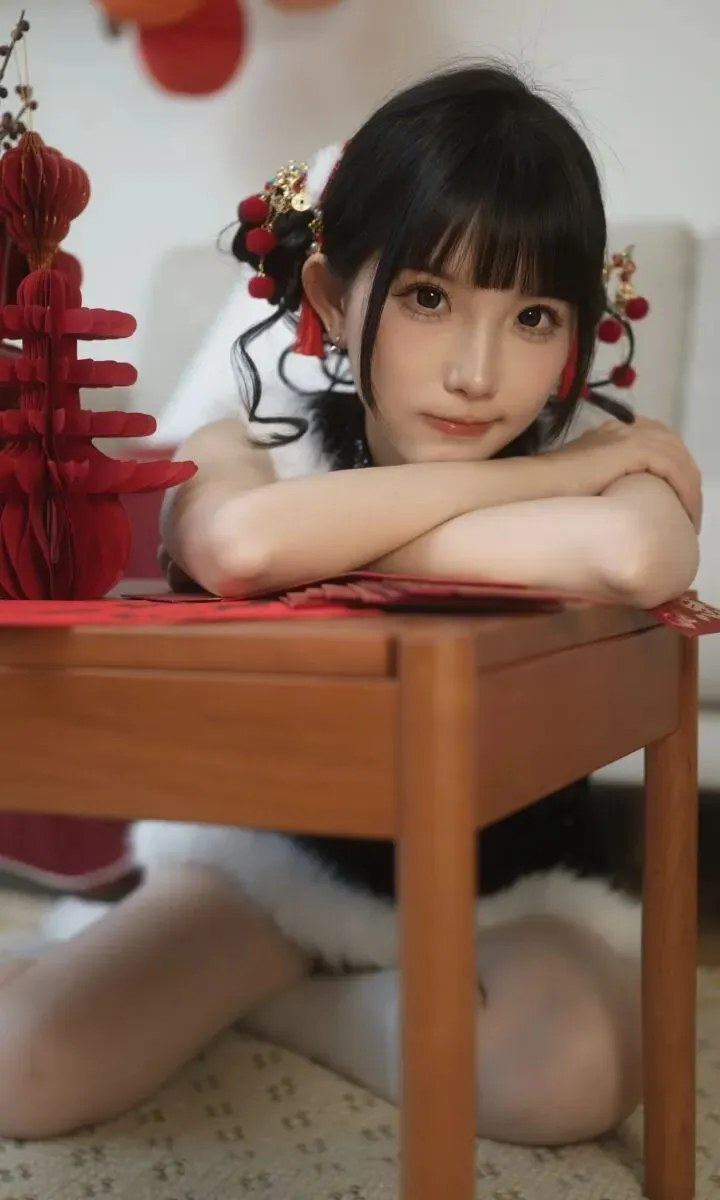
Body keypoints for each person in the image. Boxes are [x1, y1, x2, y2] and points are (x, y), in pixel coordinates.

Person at [0, 63, 701, 1147]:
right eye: (428, 298)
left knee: (573, 1074)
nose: (477, 374)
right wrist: (549, 481)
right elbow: (237, 546)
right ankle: (286, 987)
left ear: (576, 332)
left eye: (532, 317)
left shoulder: (608, 456)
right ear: (331, 297)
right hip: (275, 872)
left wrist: (335, 537)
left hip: (513, 894)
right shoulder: (259, 442)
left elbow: (638, 553)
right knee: (23, 1070)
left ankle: (295, 1014)